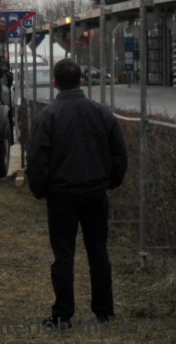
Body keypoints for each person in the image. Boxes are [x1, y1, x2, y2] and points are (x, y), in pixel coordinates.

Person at [26, 58, 127, 330]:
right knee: (98, 252)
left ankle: (62, 314)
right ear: (81, 80)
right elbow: (119, 153)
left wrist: (40, 189)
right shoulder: (101, 113)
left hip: (61, 195)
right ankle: (104, 311)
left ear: (55, 83)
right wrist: (111, 181)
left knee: (63, 255)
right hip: (95, 191)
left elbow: (36, 158)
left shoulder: (47, 117)